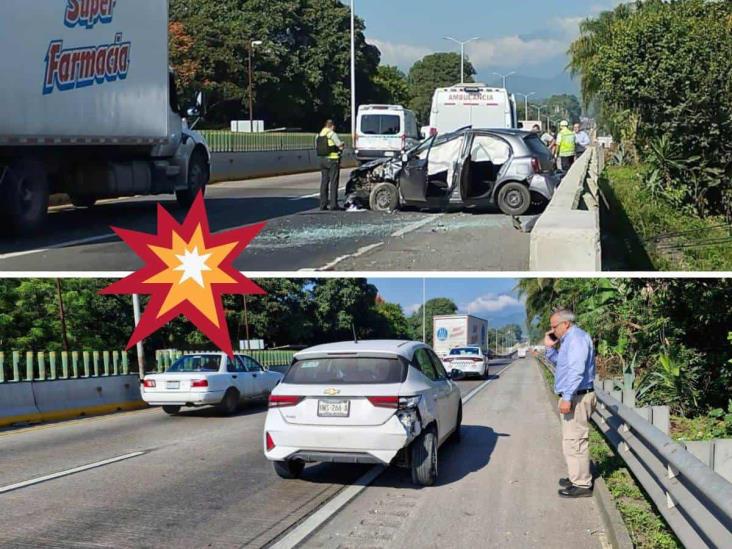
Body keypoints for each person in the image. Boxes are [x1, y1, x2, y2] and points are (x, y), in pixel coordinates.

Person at [544, 308, 597, 498]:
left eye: (554, 327)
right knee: (571, 441)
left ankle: (582, 484)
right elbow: (563, 364)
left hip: (577, 396)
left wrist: (567, 397)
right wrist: (550, 349)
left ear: (565, 323)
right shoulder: (569, 341)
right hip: (575, 394)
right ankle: (576, 476)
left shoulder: (576, 339)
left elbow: (576, 371)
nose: (552, 331)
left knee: (576, 441)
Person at [316, 119, 345, 211]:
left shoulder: (318, 135)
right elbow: (339, 145)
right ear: (332, 126)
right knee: (333, 182)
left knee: (324, 182)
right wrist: (342, 145)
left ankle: (323, 204)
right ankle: (333, 205)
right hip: (332, 160)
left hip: (322, 160)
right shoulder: (332, 134)